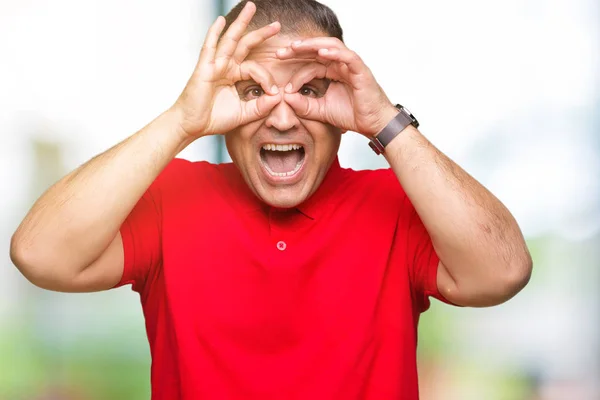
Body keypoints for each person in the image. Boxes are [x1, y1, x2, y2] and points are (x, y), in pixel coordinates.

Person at [9, 0, 532, 398]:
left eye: (310, 90)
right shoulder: (174, 197)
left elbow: (502, 272)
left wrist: (385, 121)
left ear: (346, 109)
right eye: (252, 91)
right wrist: (181, 121)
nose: (282, 118)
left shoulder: (395, 203)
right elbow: (40, 254)